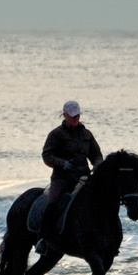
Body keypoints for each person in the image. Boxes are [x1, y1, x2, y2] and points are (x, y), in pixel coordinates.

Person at [38, 100, 102, 240]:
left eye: (77, 115)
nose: (75, 118)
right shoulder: (56, 134)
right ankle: (44, 237)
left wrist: (98, 164)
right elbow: (47, 155)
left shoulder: (87, 134)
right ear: (65, 115)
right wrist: (62, 163)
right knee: (53, 202)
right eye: (72, 116)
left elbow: (96, 154)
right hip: (62, 177)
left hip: (84, 177)